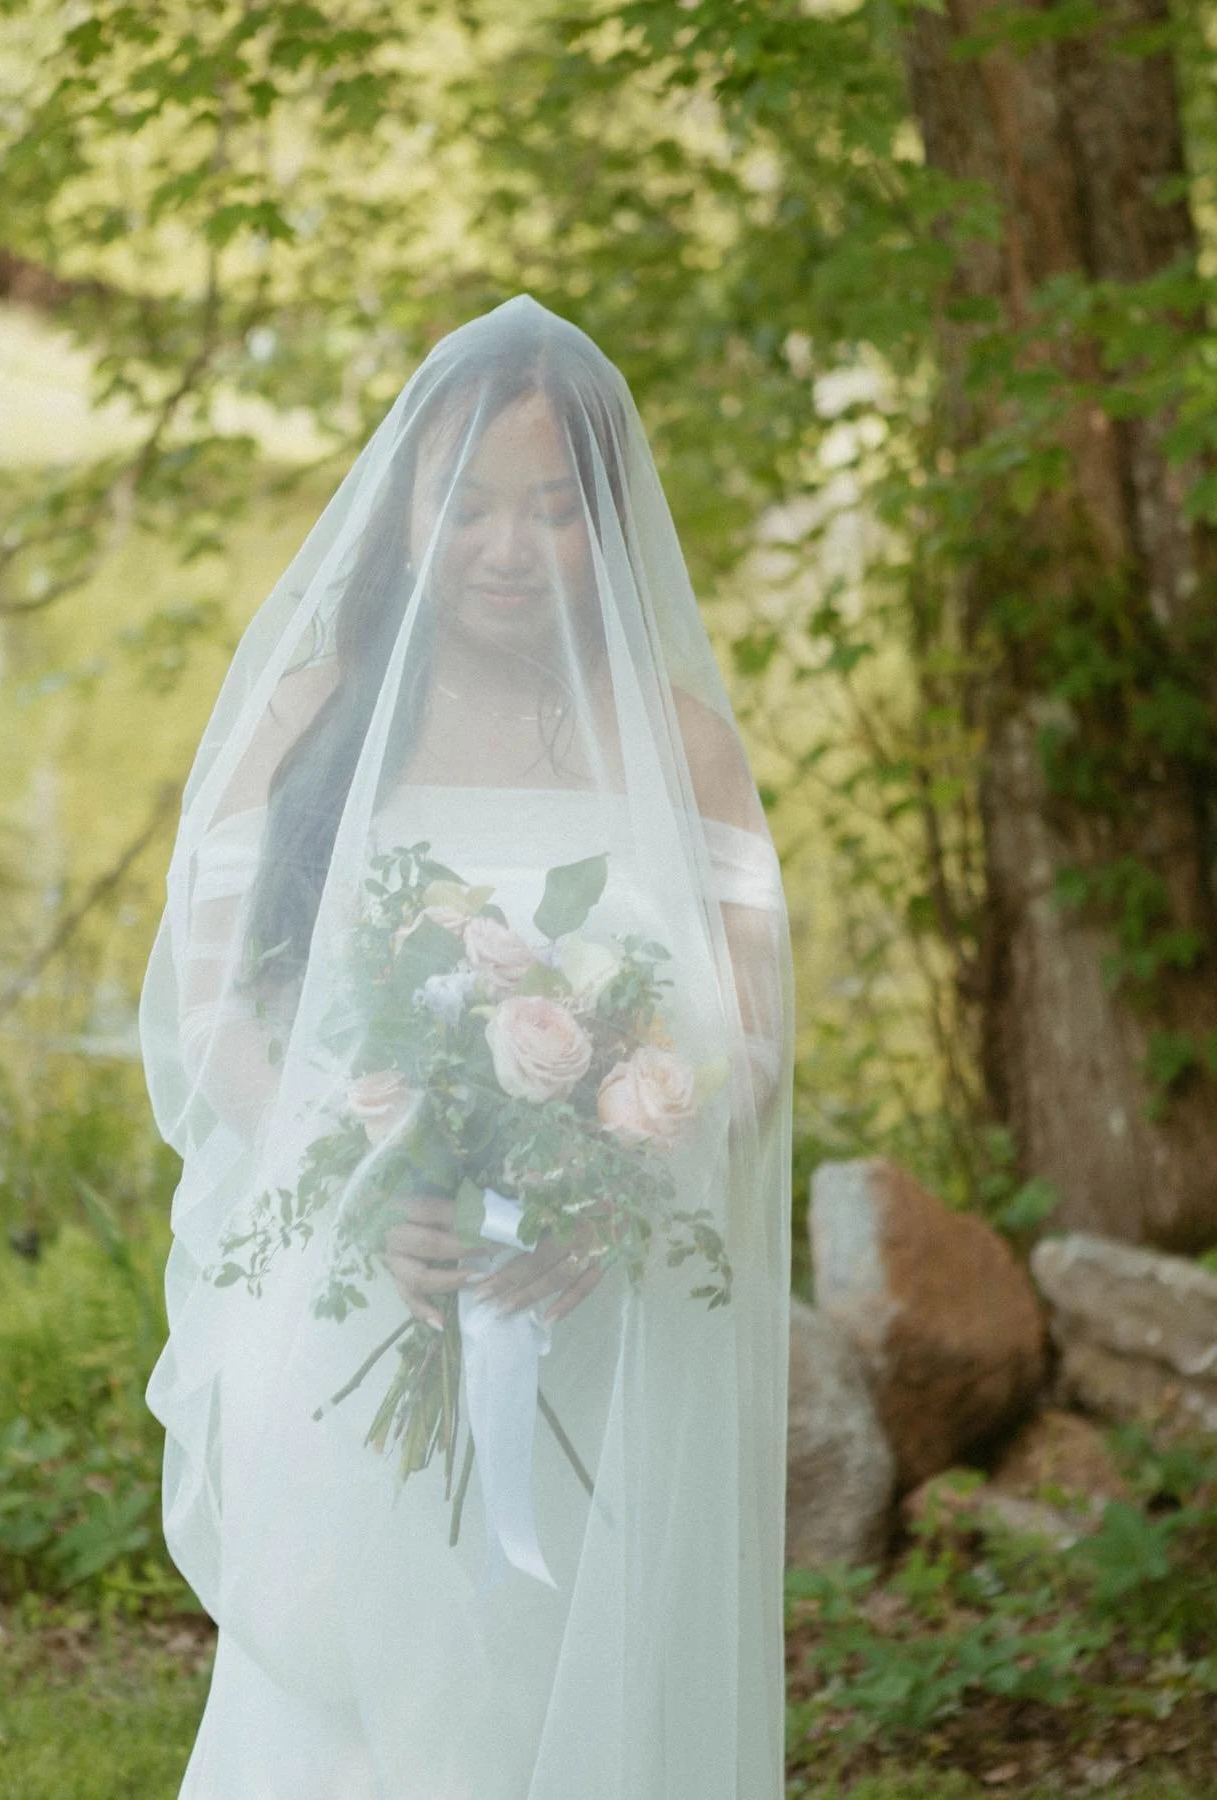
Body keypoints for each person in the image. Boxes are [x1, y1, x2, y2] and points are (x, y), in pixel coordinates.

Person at [140, 294, 794, 1800]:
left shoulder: (682, 746)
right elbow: (215, 1012)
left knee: (571, 1693)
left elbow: (750, 1035)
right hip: (369, 1283)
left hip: (606, 1315)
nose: (509, 550)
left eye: (555, 512)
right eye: (470, 505)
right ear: (408, 512)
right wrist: (375, 1184)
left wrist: (614, 1182)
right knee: (371, 1697)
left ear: (609, 522)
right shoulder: (315, 718)